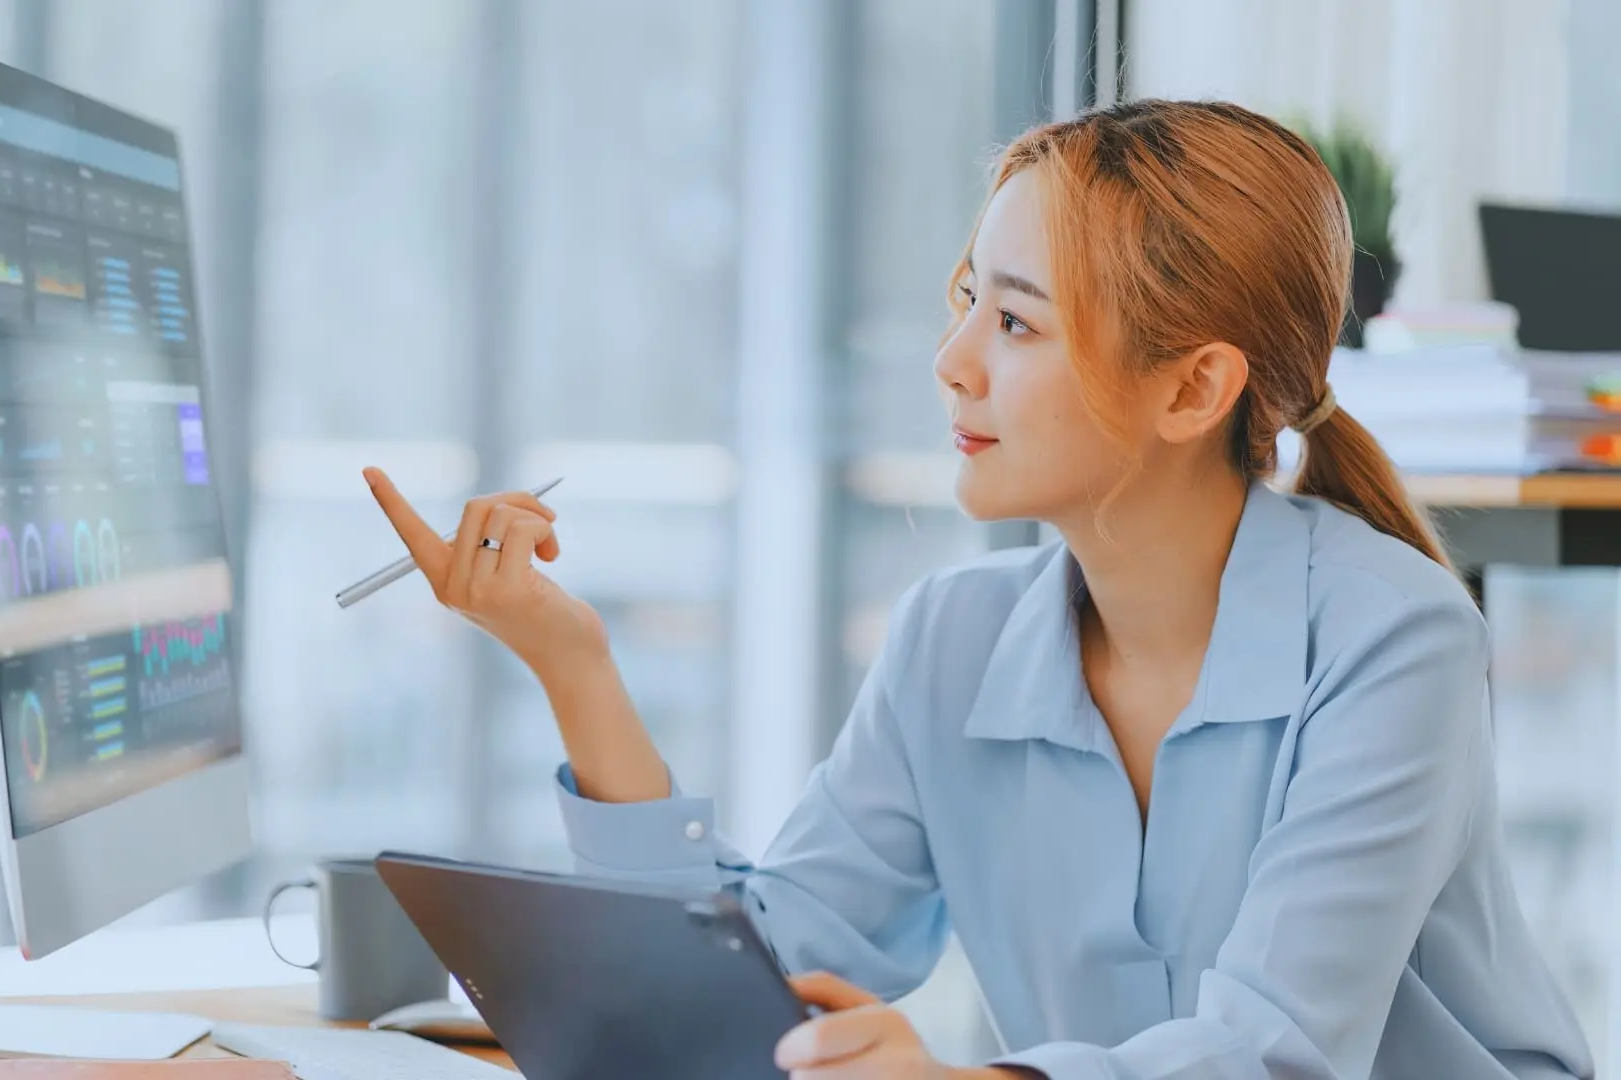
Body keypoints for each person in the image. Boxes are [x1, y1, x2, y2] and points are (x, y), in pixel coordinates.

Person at [364, 100, 1595, 1080]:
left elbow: (1275, 1051)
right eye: (968, 304)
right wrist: (569, 661)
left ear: (1191, 390)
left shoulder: (1395, 639)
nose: (952, 365)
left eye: (1016, 323)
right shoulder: (954, 639)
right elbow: (763, 973)